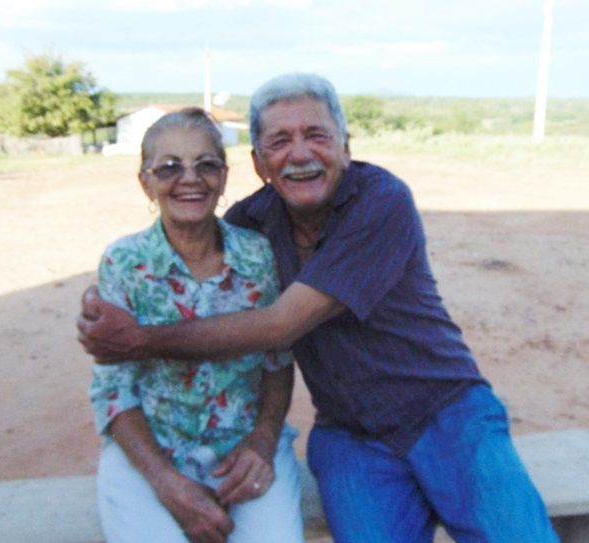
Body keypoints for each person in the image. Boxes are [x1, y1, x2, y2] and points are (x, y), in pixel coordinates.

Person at [79, 75, 559, 543]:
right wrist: (104, 309)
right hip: (352, 436)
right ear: (260, 162)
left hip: (446, 413)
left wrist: (139, 339)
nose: (301, 154)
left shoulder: (380, 200)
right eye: (280, 141)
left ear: (345, 146)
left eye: (316, 135)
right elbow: (192, 253)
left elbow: (280, 327)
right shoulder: (249, 228)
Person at [87, 107, 304, 543]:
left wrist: (262, 443)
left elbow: (277, 364)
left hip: (245, 446)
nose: (189, 178)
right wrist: (168, 484)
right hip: (151, 449)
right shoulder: (124, 263)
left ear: (223, 177)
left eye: (205, 164)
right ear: (145, 181)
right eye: (169, 167)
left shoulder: (259, 256)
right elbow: (114, 391)